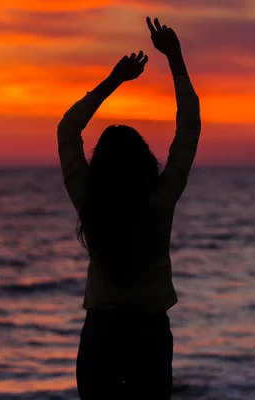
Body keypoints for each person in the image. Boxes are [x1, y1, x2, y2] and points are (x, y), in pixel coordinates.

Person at [57, 16, 201, 400]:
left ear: (99, 165)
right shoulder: (159, 201)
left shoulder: (90, 201)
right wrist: (175, 58)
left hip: (101, 334)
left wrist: (114, 80)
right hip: (149, 335)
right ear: (143, 162)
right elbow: (189, 128)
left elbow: (67, 130)